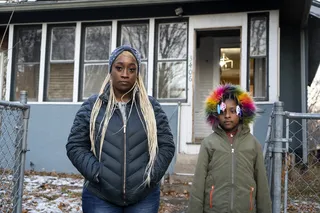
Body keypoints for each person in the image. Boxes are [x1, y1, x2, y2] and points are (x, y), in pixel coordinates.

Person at [66, 45, 175, 213]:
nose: (125, 74)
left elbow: (166, 145)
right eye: (119, 68)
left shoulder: (151, 107)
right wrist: (98, 174)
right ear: (110, 70)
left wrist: (151, 176)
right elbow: (75, 145)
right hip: (100, 196)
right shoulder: (93, 106)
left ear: (137, 73)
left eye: (132, 69)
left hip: (144, 197)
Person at [187, 84, 272, 213]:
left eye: (233, 111)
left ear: (241, 113)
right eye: (222, 111)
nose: (227, 115)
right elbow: (198, 183)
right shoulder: (209, 143)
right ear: (216, 114)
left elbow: (262, 184)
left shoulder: (253, 144)